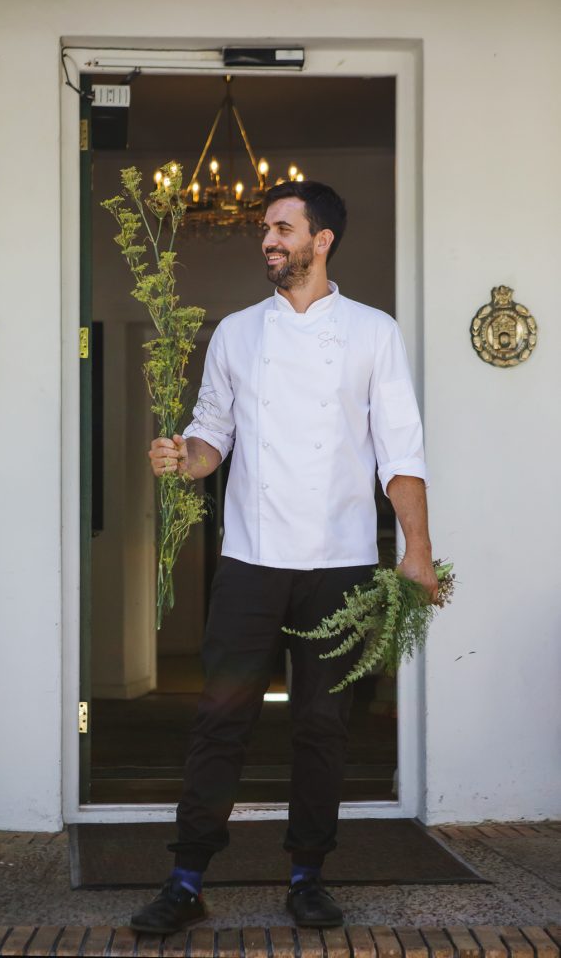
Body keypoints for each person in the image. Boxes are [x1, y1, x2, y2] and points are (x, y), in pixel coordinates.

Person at [130, 180, 437, 933]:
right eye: (264, 229)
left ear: (320, 238)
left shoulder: (372, 333)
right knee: (218, 719)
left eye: (280, 228)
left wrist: (418, 553)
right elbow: (213, 438)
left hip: (338, 562)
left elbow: (399, 452)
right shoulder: (237, 332)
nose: (267, 240)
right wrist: (181, 458)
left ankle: (307, 873)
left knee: (322, 725)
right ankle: (186, 875)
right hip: (250, 560)